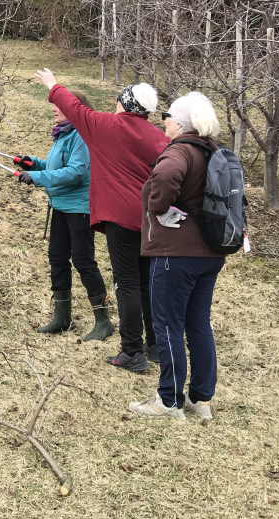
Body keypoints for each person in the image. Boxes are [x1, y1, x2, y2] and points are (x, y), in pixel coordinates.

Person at [35, 69, 169, 372]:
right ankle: (155, 346)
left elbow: (75, 108)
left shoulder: (108, 126)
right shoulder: (159, 138)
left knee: (128, 284)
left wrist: (53, 85)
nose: (115, 104)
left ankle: (132, 351)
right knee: (148, 283)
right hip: (152, 220)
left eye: (119, 100)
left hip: (122, 219)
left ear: (125, 104)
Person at [129, 92, 226, 419]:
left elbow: (168, 176)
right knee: (198, 323)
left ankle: (168, 399)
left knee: (168, 324)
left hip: (176, 254)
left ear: (181, 121)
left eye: (167, 115)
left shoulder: (180, 150)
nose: (164, 120)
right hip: (209, 253)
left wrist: (158, 207)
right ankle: (200, 399)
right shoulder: (212, 150)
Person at [13, 89, 115, 342]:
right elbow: (56, 166)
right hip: (59, 205)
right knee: (57, 259)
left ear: (73, 107)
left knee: (83, 260)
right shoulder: (63, 134)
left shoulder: (81, 135)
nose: (53, 109)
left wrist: (37, 178)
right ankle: (62, 317)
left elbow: (77, 172)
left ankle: (103, 320)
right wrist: (33, 164)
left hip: (79, 208)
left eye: (58, 105)